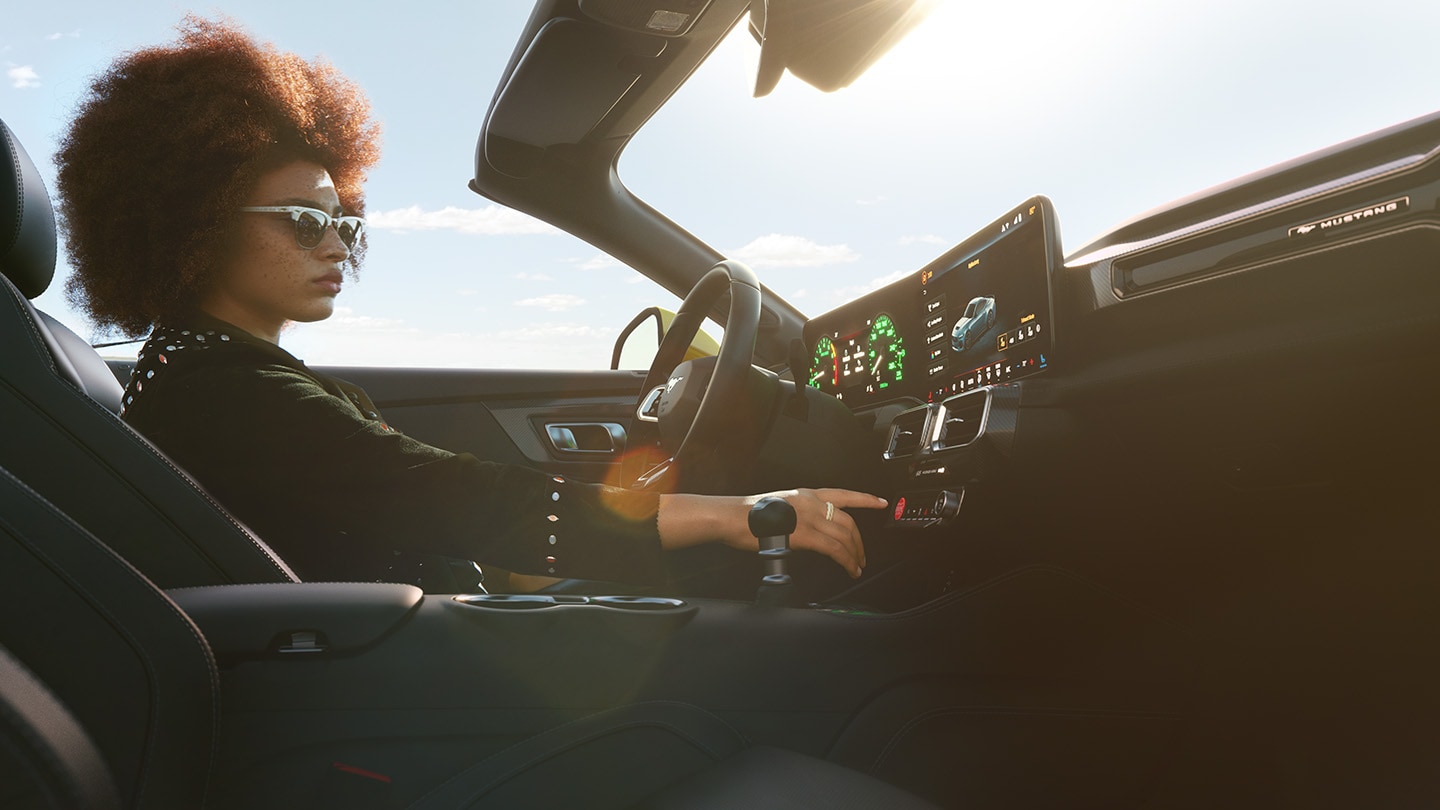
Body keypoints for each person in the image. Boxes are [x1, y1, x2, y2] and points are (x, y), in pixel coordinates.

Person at [55, 16, 886, 589]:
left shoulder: (202, 375)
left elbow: (398, 507)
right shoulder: (226, 398)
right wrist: (742, 514)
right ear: (187, 223)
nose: (338, 244)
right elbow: (443, 494)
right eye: (305, 221)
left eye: (343, 219)